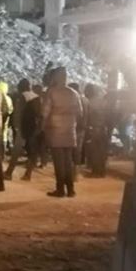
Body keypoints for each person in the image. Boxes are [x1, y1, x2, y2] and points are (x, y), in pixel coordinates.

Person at [42, 67, 83, 197]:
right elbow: (80, 112)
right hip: (70, 130)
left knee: (58, 162)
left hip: (55, 130)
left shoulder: (51, 92)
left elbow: (44, 113)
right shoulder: (73, 93)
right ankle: (70, 189)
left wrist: (42, 128)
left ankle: (60, 189)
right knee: (68, 161)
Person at [5, 78, 38, 179]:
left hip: (23, 127)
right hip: (34, 127)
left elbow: (18, 114)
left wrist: (16, 127)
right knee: (32, 151)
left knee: (16, 151)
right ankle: (28, 174)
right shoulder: (36, 96)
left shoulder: (22, 96)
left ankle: (9, 173)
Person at [84, 84, 110, 177]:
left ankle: (95, 171)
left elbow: (88, 116)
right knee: (102, 151)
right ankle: (102, 171)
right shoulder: (103, 101)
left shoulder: (90, 102)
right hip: (104, 128)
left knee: (95, 151)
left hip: (95, 128)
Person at [22, 84, 45, 181]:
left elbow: (28, 117)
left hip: (35, 130)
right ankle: (41, 163)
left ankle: (28, 173)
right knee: (40, 150)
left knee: (33, 152)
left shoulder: (32, 102)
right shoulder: (45, 101)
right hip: (45, 129)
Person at [68, 82, 88, 172]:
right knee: (77, 149)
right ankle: (75, 170)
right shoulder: (85, 100)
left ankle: (71, 170)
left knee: (70, 149)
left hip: (73, 127)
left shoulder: (73, 100)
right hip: (81, 127)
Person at [0, 81, 13, 149]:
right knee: (5, 134)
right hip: (6, 118)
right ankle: (3, 150)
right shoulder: (9, 98)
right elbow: (11, 109)